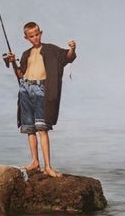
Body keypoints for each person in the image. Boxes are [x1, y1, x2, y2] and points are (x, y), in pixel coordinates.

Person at [7, 22, 76, 177]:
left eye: (37, 34)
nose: (35, 37)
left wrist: (72, 48)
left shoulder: (51, 49)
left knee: (42, 128)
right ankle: (35, 162)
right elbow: (20, 74)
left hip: (40, 89)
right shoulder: (26, 54)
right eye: (31, 36)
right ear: (26, 38)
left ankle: (48, 167)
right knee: (29, 128)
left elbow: (68, 58)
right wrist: (12, 61)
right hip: (25, 89)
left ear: (41, 33)